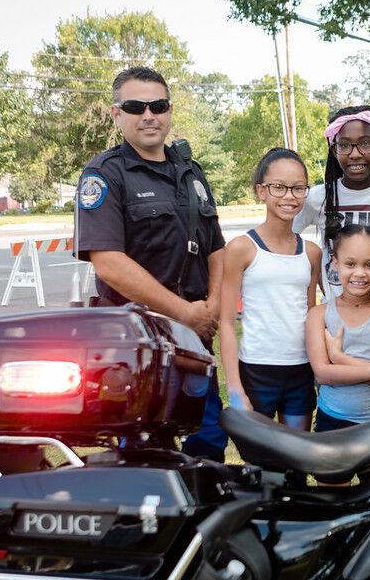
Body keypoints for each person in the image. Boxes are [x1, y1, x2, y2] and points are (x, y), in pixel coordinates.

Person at [74, 66, 228, 460]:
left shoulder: (191, 173)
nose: (148, 115)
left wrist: (210, 306)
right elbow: (108, 262)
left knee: (207, 440)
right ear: (116, 113)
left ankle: (201, 521)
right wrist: (184, 313)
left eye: (157, 105)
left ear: (169, 109)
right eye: (135, 106)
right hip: (136, 345)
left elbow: (216, 249)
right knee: (141, 451)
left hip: (194, 341)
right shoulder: (104, 175)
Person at [218, 148, 322, 431]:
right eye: (279, 187)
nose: (289, 196)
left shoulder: (311, 253)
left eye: (298, 188)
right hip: (256, 371)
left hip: (300, 371)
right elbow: (226, 324)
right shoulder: (241, 248)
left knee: (296, 461)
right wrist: (236, 389)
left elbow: (311, 314)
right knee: (262, 466)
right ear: (261, 191)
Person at [293, 105, 370, 300]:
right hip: (335, 315)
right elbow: (286, 239)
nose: (355, 154)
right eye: (345, 145)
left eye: (365, 144)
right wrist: (319, 277)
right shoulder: (318, 197)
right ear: (334, 150)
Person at [305, 224, 370, 431]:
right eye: (350, 264)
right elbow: (323, 374)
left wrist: (340, 359)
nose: (359, 273)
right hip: (332, 419)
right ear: (335, 263)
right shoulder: (318, 315)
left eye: (369, 265)